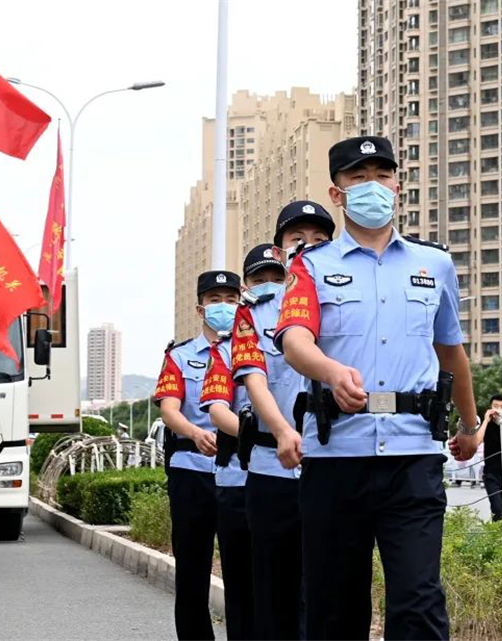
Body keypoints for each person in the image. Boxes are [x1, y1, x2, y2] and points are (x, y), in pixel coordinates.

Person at [275, 135, 481, 640]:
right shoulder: (311, 266)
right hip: (335, 457)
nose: (373, 186)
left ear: (397, 186)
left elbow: (451, 351)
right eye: (358, 178)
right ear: (337, 193)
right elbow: (294, 339)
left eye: (382, 176)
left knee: (418, 600)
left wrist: (470, 425)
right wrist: (330, 372)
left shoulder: (434, 265)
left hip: (413, 457)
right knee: (334, 606)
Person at [232, 211, 333, 640]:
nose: (307, 245)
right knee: (274, 591)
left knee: (328, 589)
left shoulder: (348, 301)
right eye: (297, 237)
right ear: (280, 249)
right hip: (273, 468)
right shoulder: (253, 315)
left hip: (334, 466)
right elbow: (253, 378)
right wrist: (282, 431)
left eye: (318, 238)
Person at [155, 270, 241, 641]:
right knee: (192, 568)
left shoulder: (251, 353)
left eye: (231, 299)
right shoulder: (179, 356)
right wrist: (194, 432)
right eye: (215, 300)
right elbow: (169, 409)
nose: (224, 306)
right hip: (191, 470)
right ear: (200, 308)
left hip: (240, 473)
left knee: (242, 570)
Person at [200, 333, 255, 640]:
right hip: (236, 478)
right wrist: (271, 437)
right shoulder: (226, 350)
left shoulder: (307, 338)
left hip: (295, 478)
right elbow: (218, 411)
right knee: (241, 585)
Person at [474, 394, 502, 521]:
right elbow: (477, 440)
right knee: (497, 509)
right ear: (490, 407)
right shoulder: (487, 424)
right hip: (491, 474)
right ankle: (498, 531)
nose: (498, 409)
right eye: (495, 406)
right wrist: (486, 420)